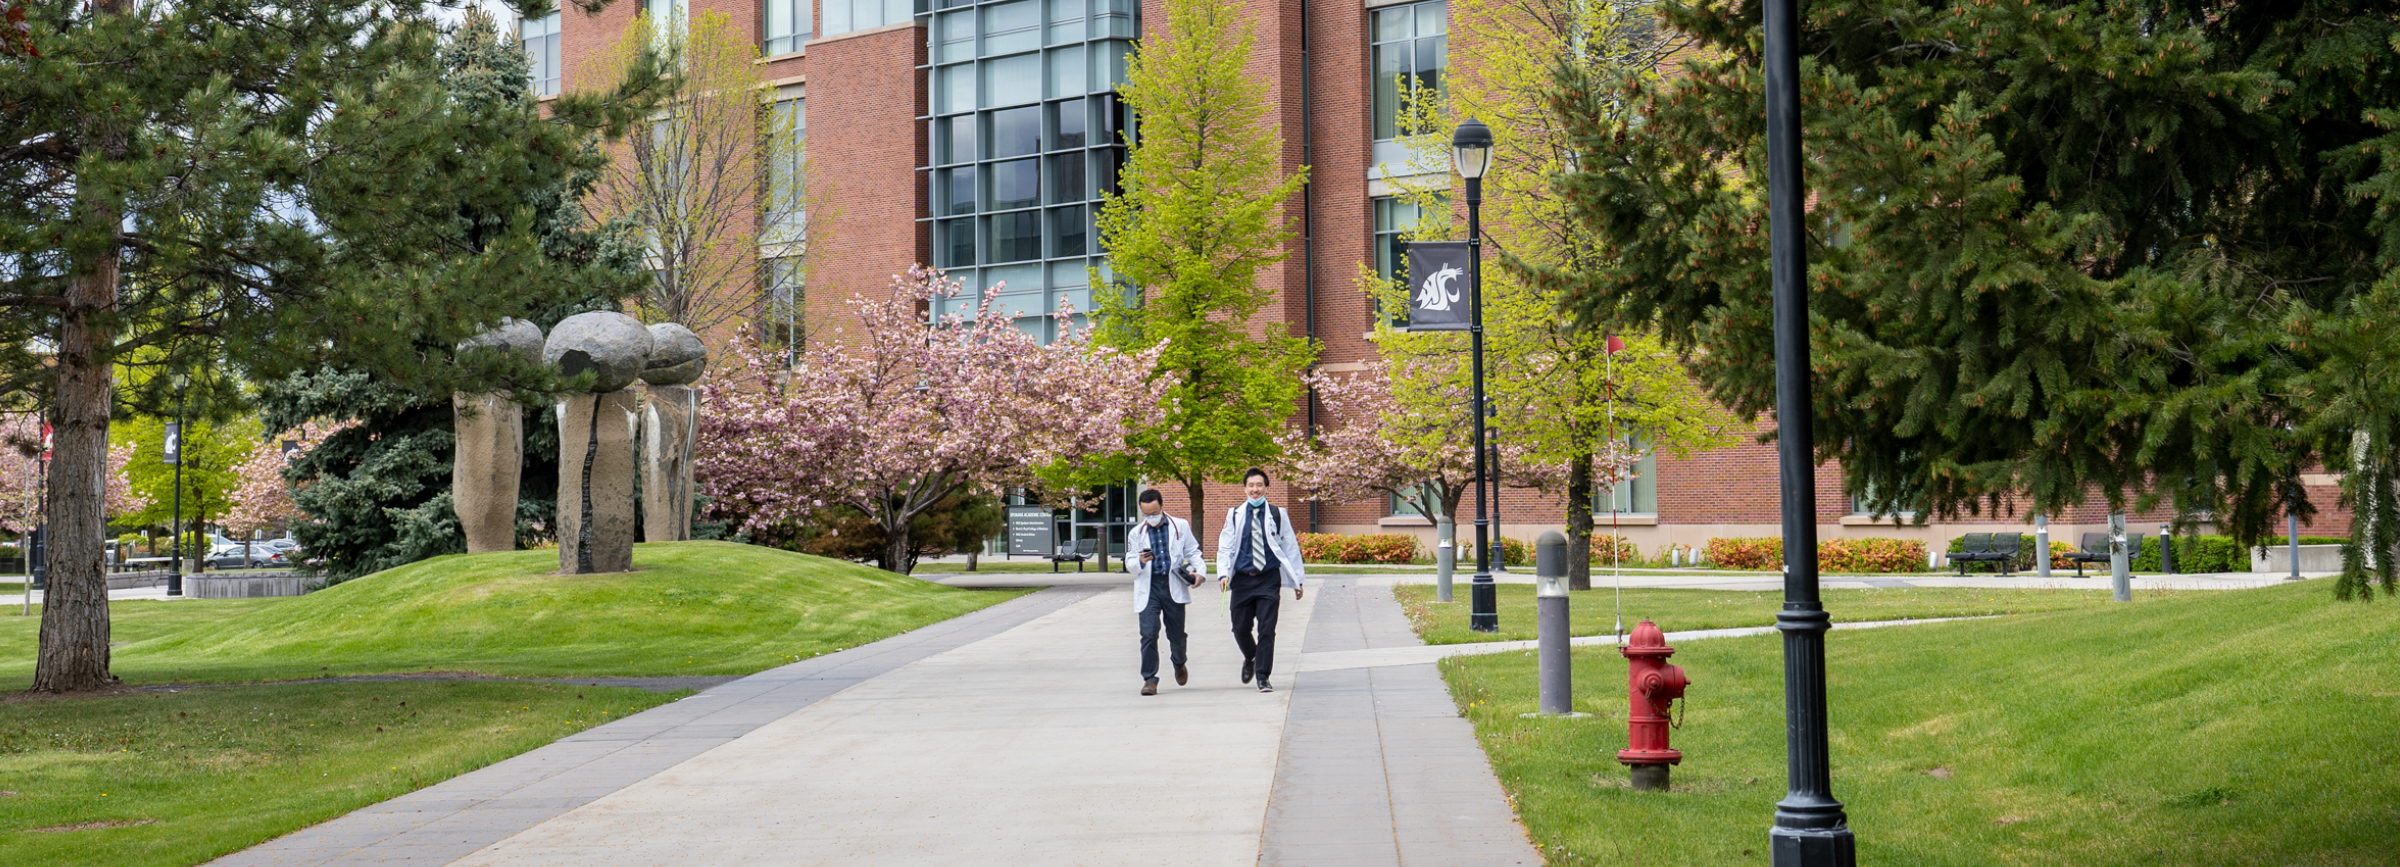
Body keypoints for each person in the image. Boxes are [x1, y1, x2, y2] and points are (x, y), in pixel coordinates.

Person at [1216, 467, 1304, 693]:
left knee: (1267, 630)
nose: (1255, 489)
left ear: (1266, 488)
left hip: (1268, 579)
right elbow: (1225, 546)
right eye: (1251, 485)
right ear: (1245, 488)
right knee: (1239, 628)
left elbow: (1290, 547)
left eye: (1259, 485)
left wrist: (1298, 580)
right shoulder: (1234, 514)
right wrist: (1223, 574)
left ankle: (1263, 677)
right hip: (1242, 580)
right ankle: (1251, 657)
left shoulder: (1277, 513)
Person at [1126, 489, 1205, 696]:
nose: (1151, 518)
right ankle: (1149, 679)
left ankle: (1179, 662)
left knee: (1176, 635)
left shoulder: (1180, 526)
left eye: (1154, 513)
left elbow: (1193, 551)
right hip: (1150, 588)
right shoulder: (1136, 533)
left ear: (1162, 507)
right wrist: (1139, 561)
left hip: (1172, 586)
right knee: (1149, 633)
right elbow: (1129, 562)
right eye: (1146, 514)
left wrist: (1200, 571)